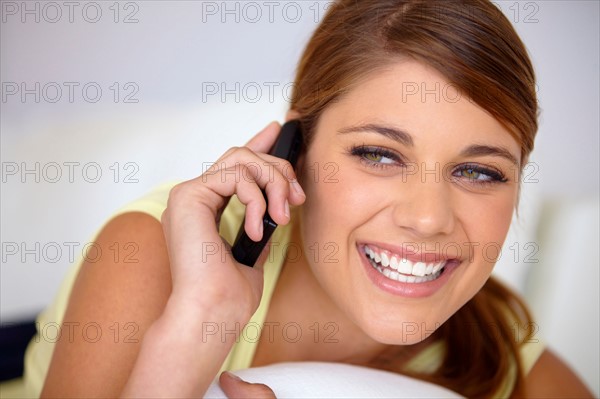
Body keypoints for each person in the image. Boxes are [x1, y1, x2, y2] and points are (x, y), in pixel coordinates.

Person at [23, 0, 593, 397]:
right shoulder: (153, 256)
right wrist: (202, 320)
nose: (426, 218)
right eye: (379, 154)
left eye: (477, 171)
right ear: (293, 150)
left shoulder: (501, 353)